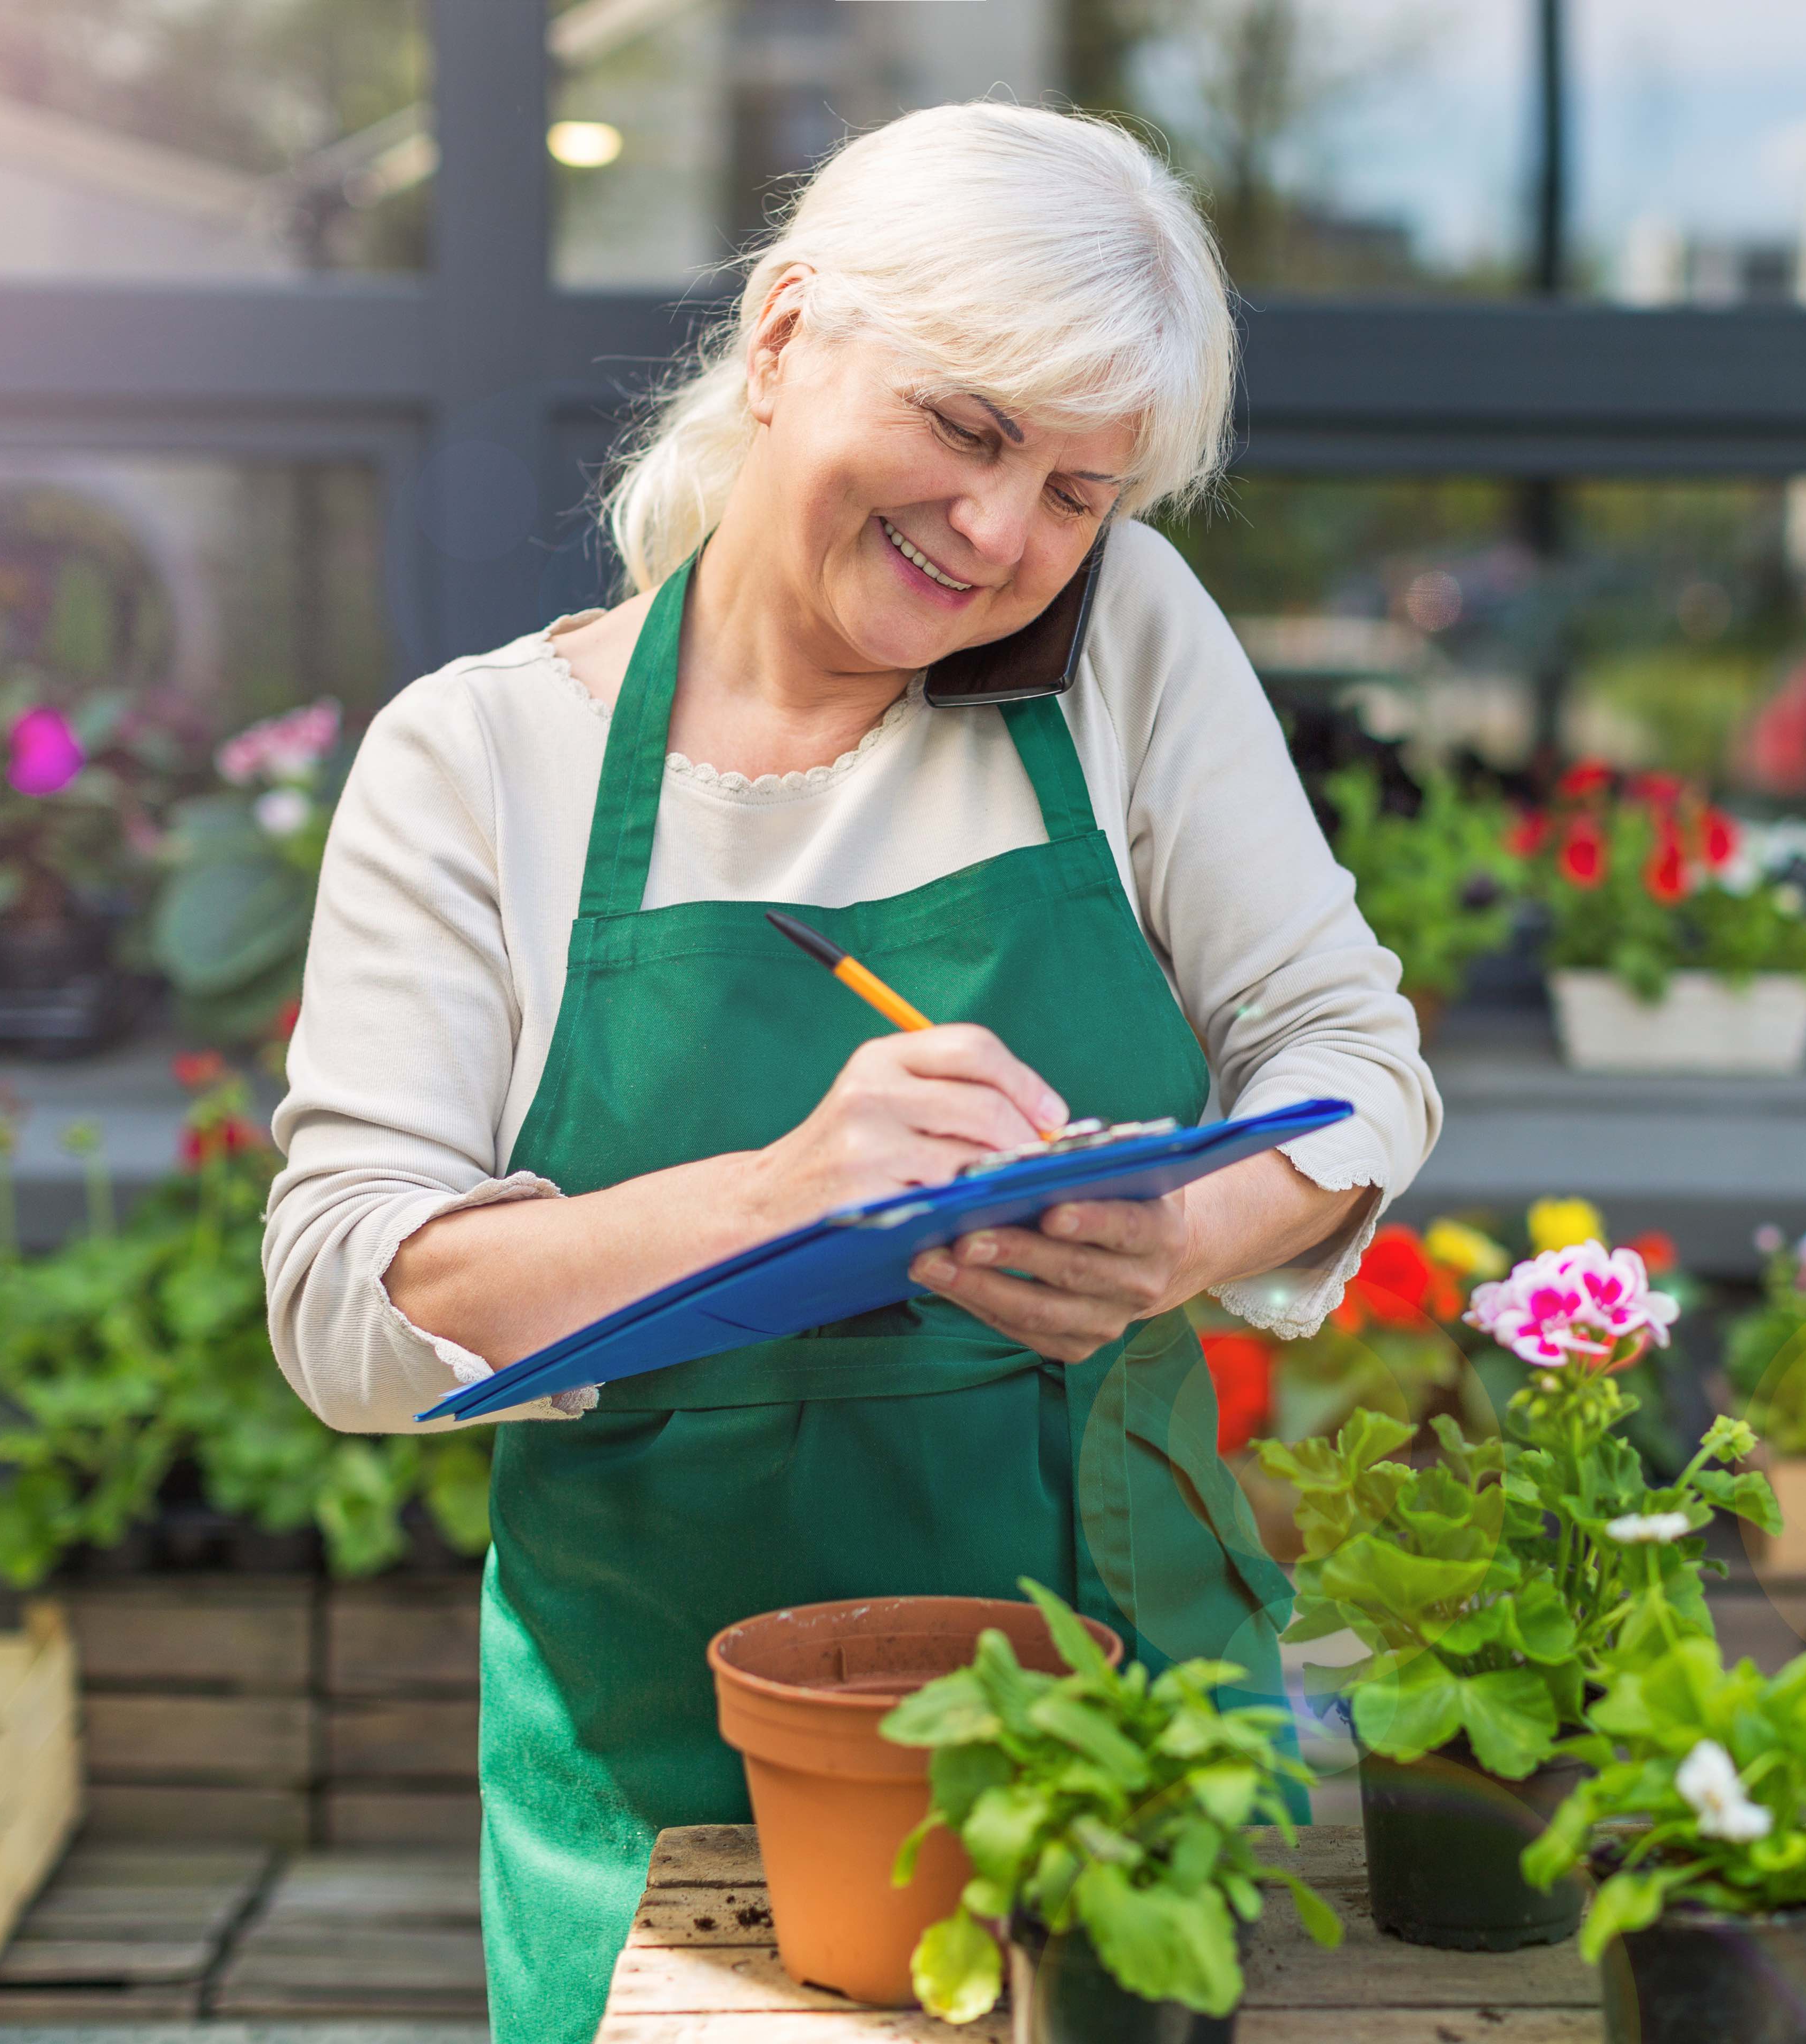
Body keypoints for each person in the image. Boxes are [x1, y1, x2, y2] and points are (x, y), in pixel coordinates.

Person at [260, 102, 1438, 2043]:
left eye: (1076, 490)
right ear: (789, 333)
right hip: (667, 1774)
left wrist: (1187, 1235)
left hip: (1116, 1730)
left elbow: (1352, 1057)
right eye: (970, 431)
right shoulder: (476, 766)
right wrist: (777, 1194)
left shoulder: (1117, 648)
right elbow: (344, 1303)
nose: (1002, 538)